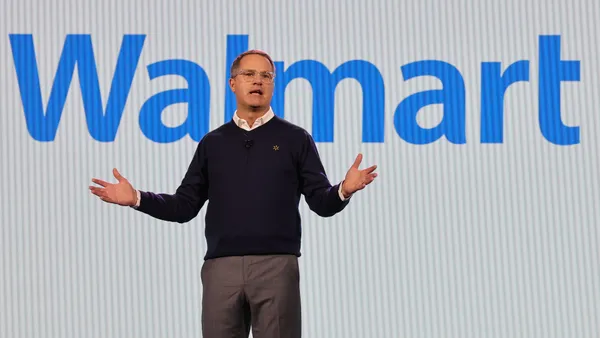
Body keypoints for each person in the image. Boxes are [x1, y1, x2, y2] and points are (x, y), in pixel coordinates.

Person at [89, 50, 378, 338]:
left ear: (273, 85)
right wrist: (137, 198)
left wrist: (344, 190)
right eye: (249, 74)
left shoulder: (295, 138)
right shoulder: (212, 143)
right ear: (232, 84)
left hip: (276, 267)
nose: (258, 81)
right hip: (220, 269)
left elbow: (321, 201)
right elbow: (183, 206)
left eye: (266, 76)